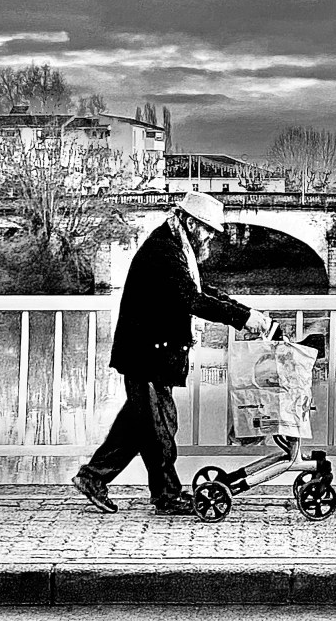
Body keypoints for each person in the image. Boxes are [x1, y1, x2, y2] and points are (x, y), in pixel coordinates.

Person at [72, 192, 272, 515]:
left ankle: (93, 477)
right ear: (191, 223)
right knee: (159, 428)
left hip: (150, 353)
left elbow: (200, 291)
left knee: (141, 424)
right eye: (208, 229)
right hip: (145, 355)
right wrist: (242, 318)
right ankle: (166, 496)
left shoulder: (176, 245)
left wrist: (244, 313)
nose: (210, 236)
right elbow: (191, 300)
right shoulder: (164, 250)